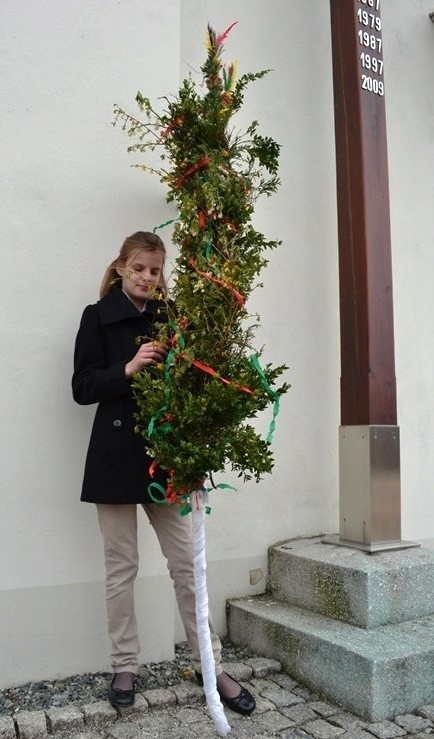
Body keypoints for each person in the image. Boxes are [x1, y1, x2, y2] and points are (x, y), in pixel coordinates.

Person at [72, 231, 255, 715]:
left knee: (187, 566)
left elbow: (192, 386)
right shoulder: (97, 317)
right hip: (113, 456)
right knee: (121, 568)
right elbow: (81, 386)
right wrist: (128, 367)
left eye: (155, 271)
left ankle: (209, 664)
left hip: (164, 458)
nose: (148, 278)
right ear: (121, 268)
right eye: (140, 269)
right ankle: (124, 665)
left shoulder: (171, 318)